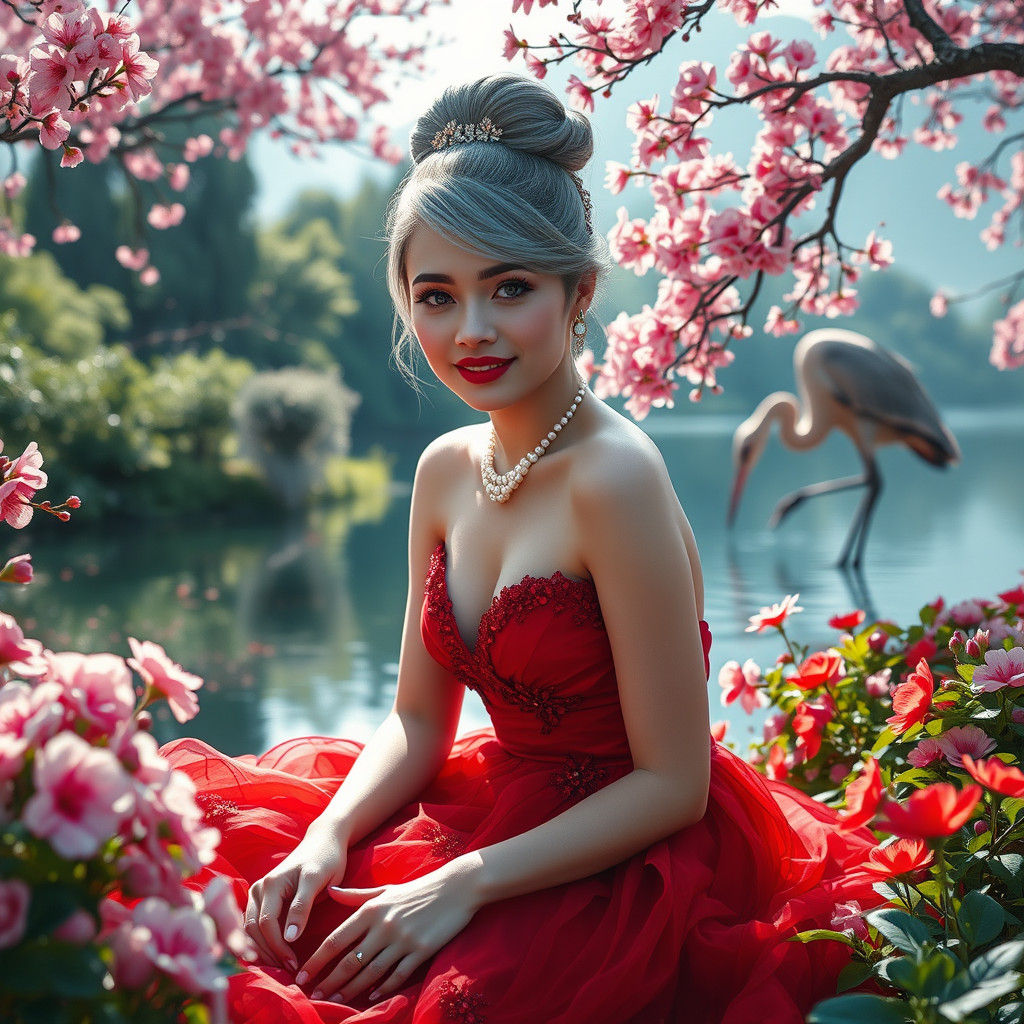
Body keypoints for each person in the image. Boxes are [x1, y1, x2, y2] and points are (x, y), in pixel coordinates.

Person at [163, 73, 882, 1024]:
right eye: (437, 295)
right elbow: (420, 723)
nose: (472, 331)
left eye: (510, 288)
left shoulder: (614, 478)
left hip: (619, 860)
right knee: (225, 903)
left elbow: (675, 781)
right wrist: (329, 837)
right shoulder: (443, 470)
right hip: (481, 811)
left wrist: (459, 886)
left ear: (579, 290)